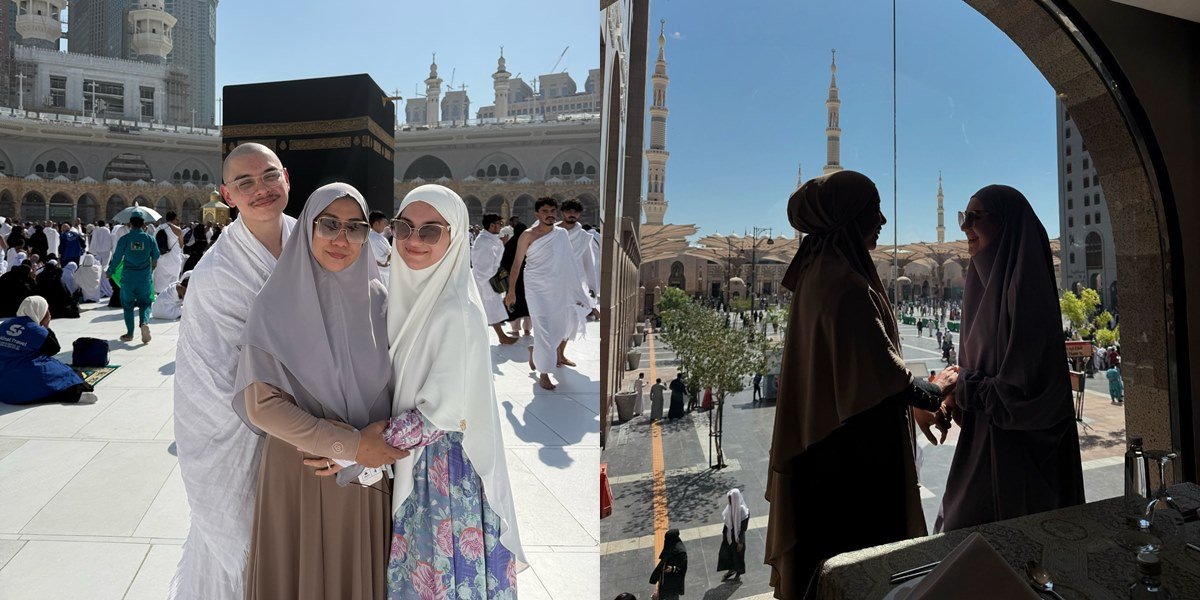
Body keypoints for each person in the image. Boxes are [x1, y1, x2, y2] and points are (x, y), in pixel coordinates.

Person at [765, 171, 956, 599]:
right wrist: (938, 387)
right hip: (851, 460)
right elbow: (882, 373)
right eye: (873, 209)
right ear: (849, 216)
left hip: (826, 448)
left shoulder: (820, 269)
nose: (883, 219)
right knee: (863, 567)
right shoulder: (842, 281)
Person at [233, 183, 403, 599]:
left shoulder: (382, 302)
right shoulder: (275, 303)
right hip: (302, 467)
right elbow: (263, 405)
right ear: (308, 227)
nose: (341, 239)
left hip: (369, 473)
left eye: (355, 227)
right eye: (329, 224)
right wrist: (348, 444)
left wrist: (369, 454)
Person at [380, 184, 526, 598]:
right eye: (404, 226)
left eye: (430, 231)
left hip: (438, 469)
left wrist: (358, 447)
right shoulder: (407, 294)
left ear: (456, 237)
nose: (413, 240)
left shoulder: (455, 308)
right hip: (410, 458)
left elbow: (437, 416)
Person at [170, 142, 297, 600]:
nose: (260, 189)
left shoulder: (316, 241)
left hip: (322, 421)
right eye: (245, 183)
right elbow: (212, 376)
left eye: (268, 176)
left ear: (287, 178)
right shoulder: (217, 273)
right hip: (250, 430)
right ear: (228, 195)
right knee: (252, 554)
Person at [937, 185, 1085, 532]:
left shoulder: (1027, 294)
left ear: (1005, 225)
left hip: (1024, 467)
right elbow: (976, 374)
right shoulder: (979, 287)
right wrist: (951, 398)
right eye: (962, 217)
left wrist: (963, 386)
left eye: (975, 218)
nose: (965, 227)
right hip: (981, 452)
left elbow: (1027, 395)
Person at [504, 197, 595, 390]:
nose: (550, 215)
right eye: (545, 211)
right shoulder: (528, 235)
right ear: (537, 214)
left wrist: (578, 293)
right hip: (536, 288)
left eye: (552, 211)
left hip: (558, 288)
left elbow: (569, 264)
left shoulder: (561, 234)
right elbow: (517, 264)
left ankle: (535, 351)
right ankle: (544, 373)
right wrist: (511, 291)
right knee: (543, 328)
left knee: (560, 329)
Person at [0, 296, 97, 405]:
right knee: (68, 372)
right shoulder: (35, 329)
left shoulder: (5, 324)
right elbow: (53, 349)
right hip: (23, 382)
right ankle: (73, 394)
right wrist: (45, 326)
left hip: (3, 386)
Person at [108, 211, 159, 343]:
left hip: (128, 278)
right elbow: (156, 257)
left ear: (130, 224)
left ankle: (130, 333)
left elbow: (117, 257)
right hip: (144, 278)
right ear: (144, 224)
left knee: (128, 305)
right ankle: (144, 323)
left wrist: (110, 271)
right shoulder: (149, 239)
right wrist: (151, 268)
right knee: (145, 303)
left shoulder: (124, 239)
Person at [471, 212, 518, 344]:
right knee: (490, 308)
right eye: (499, 224)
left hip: (488, 279)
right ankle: (501, 336)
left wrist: (501, 244)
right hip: (485, 280)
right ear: (492, 225)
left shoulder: (489, 239)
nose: (500, 227)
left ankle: (498, 336)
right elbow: (484, 263)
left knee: (490, 308)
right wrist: (492, 279)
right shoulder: (484, 241)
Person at [558, 198, 600, 305]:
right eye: (569, 211)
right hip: (552, 282)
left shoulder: (583, 237)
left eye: (575, 212)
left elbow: (589, 264)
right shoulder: (551, 232)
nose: (572, 214)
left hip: (576, 283)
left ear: (579, 214)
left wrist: (592, 287)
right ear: (563, 212)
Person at [499, 222, 531, 337]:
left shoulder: (510, 244)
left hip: (513, 280)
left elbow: (503, 262)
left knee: (513, 303)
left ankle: (515, 329)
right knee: (527, 303)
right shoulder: (530, 243)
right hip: (528, 279)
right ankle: (527, 329)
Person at [717, 488, 749, 581]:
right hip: (729, 536)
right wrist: (725, 535)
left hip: (738, 538)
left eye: (731, 499)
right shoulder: (729, 508)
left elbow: (743, 528)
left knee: (738, 557)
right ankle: (731, 570)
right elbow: (727, 523)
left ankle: (738, 573)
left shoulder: (743, 511)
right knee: (728, 554)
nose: (729, 501)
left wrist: (740, 542)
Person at [649, 529, 687, 600]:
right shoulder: (671, 545)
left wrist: (673, 569)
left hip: (673, 583)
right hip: (666, 579)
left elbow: (683, 568)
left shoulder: (681, 552)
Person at [154, 211, 186, 294]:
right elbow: (181, 244)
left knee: (161, 278)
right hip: (174, 258)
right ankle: (172, 296)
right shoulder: (178, 230)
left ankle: (160, 295)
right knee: (173, 280)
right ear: (174, 219)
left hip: (161, 258)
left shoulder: (159, 228)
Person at [367, 210, 391, 287]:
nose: (386, 225)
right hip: (381, 275)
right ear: (376, 224)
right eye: (384, 223)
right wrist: (393, 252)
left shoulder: (378, 236)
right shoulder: (372, 238)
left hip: (387, 273)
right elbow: (382, 261)